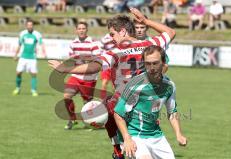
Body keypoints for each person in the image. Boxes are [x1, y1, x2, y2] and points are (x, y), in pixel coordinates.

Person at [48, 7, 175, 159]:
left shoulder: (115, 52)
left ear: (122, 31)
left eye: (112, 34)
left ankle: (117, 149)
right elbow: (171, 32)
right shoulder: (152, 45)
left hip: (125, 104)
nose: (111, 38)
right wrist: (145, 21)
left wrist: (66, 69)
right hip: (146, 103)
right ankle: (120, 149)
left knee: (108, 108)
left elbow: (94, 67)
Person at [114, 45, 187, 159]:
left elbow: (172, 111)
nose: (151, 67)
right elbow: (118, 113)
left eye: (155, 63)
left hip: (156, 135)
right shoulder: (136, 85)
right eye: (148, 63)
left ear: (163, 63)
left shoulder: (169, 86)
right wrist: (127, 138)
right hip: (134, 134)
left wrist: (179, 134)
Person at [63, 21, 101, 130]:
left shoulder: (93, 43)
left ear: (87, 30)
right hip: (76, 75)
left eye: (83, 28)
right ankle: (72, 118)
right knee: (66, 96)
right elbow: (71, 59)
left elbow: (98, 60)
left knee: (87, 103)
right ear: (76, 30)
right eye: (79, 28)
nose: (81, 30)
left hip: (89, 77)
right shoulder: (73, 43)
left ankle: (92, 122)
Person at [13, 19, 46, 97]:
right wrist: (15, 55)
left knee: (33, 74)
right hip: (23, 57)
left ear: (33, 26)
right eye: (28, 25)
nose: (30, 27)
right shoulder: (22, 34)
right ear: (26, 26)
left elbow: (41, 43)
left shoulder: (37, 34)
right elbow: (19, 44)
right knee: (18, 73)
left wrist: (44, 52)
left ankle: (33, 90)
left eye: (31, 25)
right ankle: (18, 88)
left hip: (32, 58)